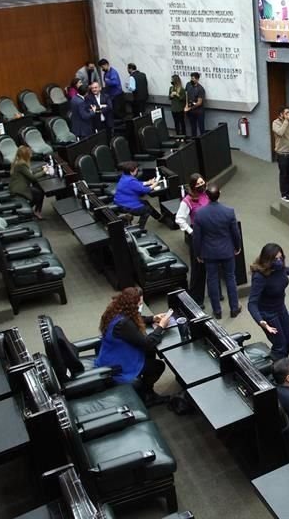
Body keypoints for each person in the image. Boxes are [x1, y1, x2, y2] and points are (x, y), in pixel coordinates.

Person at [93, 287, 171, 406]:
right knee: (158, 366)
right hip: (117, 366)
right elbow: (147, 343)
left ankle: (146, 391)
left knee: (149, 353)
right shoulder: (124, 324)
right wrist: (161, 326)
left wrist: (153, 318)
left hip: (110, 355)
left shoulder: (116, 310)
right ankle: (145, 395)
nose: (140, 306)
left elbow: (135, 318)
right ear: (131, 305)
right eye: (139, 304)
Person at [248, 243, 289, 360]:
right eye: (275, 259)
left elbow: (284, 270)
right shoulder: (260, 277)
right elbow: (251, 303)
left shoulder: (279, 268)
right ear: (267, 260)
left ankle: (282, 362)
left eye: (281, 258)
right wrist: (261, 321)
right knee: (280, 344)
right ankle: (276, 368)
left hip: (280, 308)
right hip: (267, 314)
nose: (279, 261)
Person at [191, 184, 242, 319]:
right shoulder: (229, 211)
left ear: (207, 195)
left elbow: (197, 238)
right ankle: (234, 308)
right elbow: (235, 233)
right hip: (227, 251)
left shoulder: (200, 214)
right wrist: (237, 247)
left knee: (212, 280)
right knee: (231, 278)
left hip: (209, 253)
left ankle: (217, 311)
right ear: (220, 194)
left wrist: (198, 254)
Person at [176, 173, 223, 305]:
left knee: (215, 267)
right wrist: (192, 232)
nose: (201, 185)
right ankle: (197, 299)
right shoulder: (188, 200)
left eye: (202, 182)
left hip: (212, 235)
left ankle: (217, 294)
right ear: (192, 186)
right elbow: (179, 219)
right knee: (199, 269)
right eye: (198, 184)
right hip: (198, 237)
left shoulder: (208, 194)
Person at [113, 161, 157, 229]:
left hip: (120, 202)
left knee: (145, 202)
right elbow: (144, 190)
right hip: (126, 206)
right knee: (147, 210)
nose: (137, 171)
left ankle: (160, 218)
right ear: (131, 172)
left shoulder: (125, 177)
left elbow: (137, 184)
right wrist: (154, 185)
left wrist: (148, 182)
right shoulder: (130, 181)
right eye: (136, 170)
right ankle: (139, 228)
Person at [8, 145, 45, 219]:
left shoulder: (19, 162)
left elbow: (29, 172)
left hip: (16, 187)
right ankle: (35, 211)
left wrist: (41, 168)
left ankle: (33, 210)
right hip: (19, 189)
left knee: (38, 192)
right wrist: (44, 172)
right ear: (25, 155)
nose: (31, 154)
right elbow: (33, 178)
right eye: (29, 153)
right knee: (39, 193)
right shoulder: (21, 164)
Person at [184, 72, 206, 136]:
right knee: (193, 127)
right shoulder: (188, 85)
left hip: (199, 111)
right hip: (191, 111)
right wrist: (186, 105)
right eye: (191, 78)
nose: (192, 80)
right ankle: (194, 142)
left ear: (197, 79)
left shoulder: (200, 89)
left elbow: (199, 102)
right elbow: (186, 95)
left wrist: (190, 108)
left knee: (201, 127)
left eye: (193, 78)